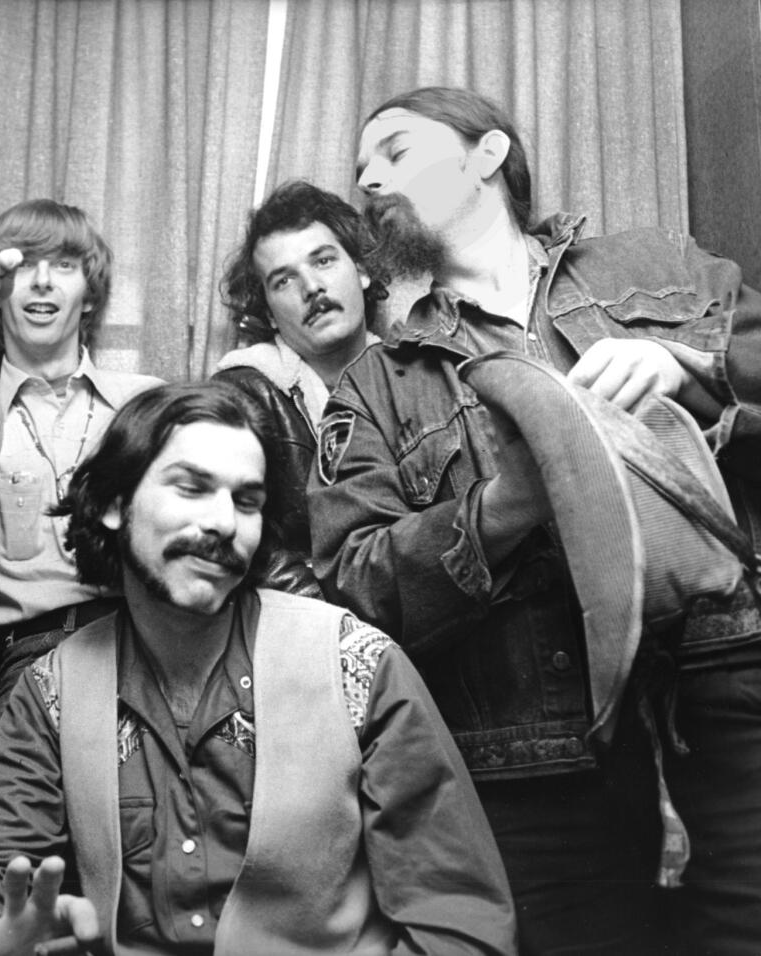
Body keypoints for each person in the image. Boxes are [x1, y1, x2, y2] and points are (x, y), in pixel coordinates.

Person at [310, 85, 761, 955]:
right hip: (538, 769)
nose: (366, 178)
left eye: (394, 151)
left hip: (732, 694)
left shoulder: (655, 264)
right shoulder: (374, 387)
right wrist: (504, 506)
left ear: (489, 154)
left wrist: (689, 366)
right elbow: (357, 591)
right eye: (361, 165)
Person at [0, 380, 517, 956]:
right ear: (110, 505)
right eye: (192, 488)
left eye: (247, 501)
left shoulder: (357, 665)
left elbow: (460, 925)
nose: (224, 523)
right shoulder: (52, 691)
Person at [0, 199, 162, 838]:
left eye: (63, 265)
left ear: (89, 294)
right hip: (31, 660)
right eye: (24, 263)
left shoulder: (144, 402)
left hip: (148, 647)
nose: (40, 280)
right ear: (1, 288)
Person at [215, 179, 388, 591]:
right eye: (284, 281)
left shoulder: (417, 379)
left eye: (324, 261)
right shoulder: (243, 397)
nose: (312, 288)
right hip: (308, 627)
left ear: (361, 271)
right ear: (270, 314)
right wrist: (342, 626)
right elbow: (244, 543)